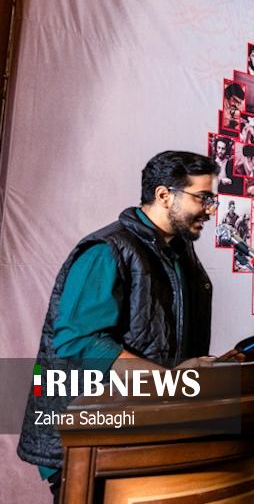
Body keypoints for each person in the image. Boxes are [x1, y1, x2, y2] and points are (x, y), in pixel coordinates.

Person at [18, 151, 218, 498]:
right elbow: (78, 342)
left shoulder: (179, 250)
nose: (210, 209)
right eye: (202, 197)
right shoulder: (107, 250)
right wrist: (169, 381)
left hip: (144, 431)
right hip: (90, 441)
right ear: (163, 195)